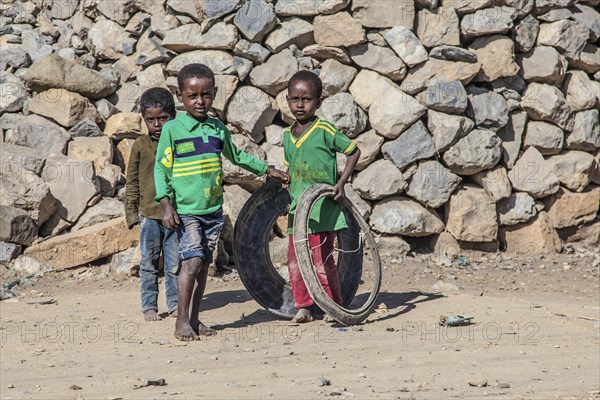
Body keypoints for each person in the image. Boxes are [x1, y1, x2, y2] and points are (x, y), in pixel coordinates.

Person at [154, 63, 289, 341]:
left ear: (214, 93)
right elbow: (161, 168)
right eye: (193, 96)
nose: (200, 101)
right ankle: (180, 321)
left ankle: (193, 319)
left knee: (204, 265)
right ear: (180, 97)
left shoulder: (217, 128)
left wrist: (267, 170)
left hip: (213, 211)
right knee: (191, 263)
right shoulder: (172, 129)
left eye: (206, 95)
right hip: (187, 211)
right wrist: (165, 203)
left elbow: (237, 156)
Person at [283, 70, 361, 323]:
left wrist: (341, 183)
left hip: (322, 211)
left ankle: (331, 306)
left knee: (322, 261)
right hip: (298, 212)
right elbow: (292, 168)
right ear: (287, 100)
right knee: (296, 262)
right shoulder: (287, 136)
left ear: (318, 102)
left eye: (306, 99)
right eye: (295, 99)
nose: (300, 104)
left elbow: (353, 151)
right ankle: (303, 306)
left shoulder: (325, 130)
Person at [125, 87, 179, 322]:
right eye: (151, 119)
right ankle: (149, 306)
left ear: (173, 116)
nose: (157, 124)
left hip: (176, 216)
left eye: (163, 118)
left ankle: (176, 305)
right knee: (148, 264)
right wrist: (131, 213)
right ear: (144, 120)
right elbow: (133, 180)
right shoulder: (140, 145)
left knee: (174, 265)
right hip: (149, 216)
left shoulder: (179, 142)